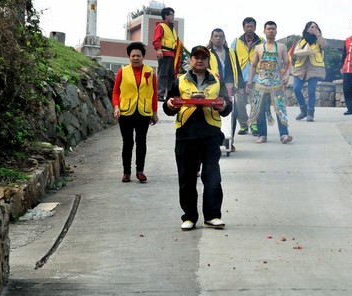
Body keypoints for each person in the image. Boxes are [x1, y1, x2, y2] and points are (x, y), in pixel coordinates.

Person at [162, 45, 233, 231]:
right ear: (191, 60)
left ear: (208, 61)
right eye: (196, 57)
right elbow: (168, 107)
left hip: (210, 136)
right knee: (186, 178)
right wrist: (170, 105)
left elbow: (227, 107)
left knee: (212, 178)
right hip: (186, 136)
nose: (199, 60)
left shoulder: (217, 82)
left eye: (203, 57)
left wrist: (223, 106)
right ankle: (189, 217)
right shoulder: (179, 81)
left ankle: (213, 216)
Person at [112, 42, 159, 183]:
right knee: (127, 142)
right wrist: (116, 106)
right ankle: (126, 172)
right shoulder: (123, 71)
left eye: (138, 55)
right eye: (133, 56)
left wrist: (154, 112)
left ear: (143, 57)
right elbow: (116, 91)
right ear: (129, 57)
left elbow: (154, 93)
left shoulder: (150, 72)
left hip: (143, 112)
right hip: (126, 112)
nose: (135, 58)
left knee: (141, 141)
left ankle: (140, 171)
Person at [246, 21, 293, 144]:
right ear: (264, 31)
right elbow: (253, 66)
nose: (271, 31)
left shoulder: (282, 47)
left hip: (277, 83)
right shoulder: (259, 48)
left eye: (273, 29)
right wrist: (249, 82)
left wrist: (287, 76)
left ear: (276, 31)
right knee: (259, 109)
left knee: (280, 108)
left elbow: (287, 64)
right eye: (269, 29)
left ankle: (284, 134)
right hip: (260, 83)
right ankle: (262, 135)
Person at [230, 17, 265, 136]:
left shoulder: (261, 41)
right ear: (243, 27)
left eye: (251, 26)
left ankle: (253, 124)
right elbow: (232, 59)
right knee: (240, 102)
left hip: (256, 78)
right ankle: (244, 125)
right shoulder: (236, 41)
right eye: (247, 26)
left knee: (255, 102)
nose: (249, 28)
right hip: (240, 78)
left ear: (255, 27)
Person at [291, 21, 328, 122]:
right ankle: (303, 110)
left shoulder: (319, 40)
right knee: (296, 89)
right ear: (307, 29)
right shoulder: (301, 41)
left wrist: (318, 35)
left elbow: (325, 46)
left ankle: (310, 113)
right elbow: (293, 54)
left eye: (316, 27)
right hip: (300, 68)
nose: (314, 28)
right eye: (311, 27)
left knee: (311, 92)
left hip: (314, 68)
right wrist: (301, 52)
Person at [153, 7, 184, 101]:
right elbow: (156, 39)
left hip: (172, 54)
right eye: (172, 14)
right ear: (166, 16)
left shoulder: (172, 28)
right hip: (164, 53)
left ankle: (170, 95)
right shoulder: (161, 26)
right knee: (163, 74)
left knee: (172, 76)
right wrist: (159, 50)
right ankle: (160, 94)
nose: (173, 16)